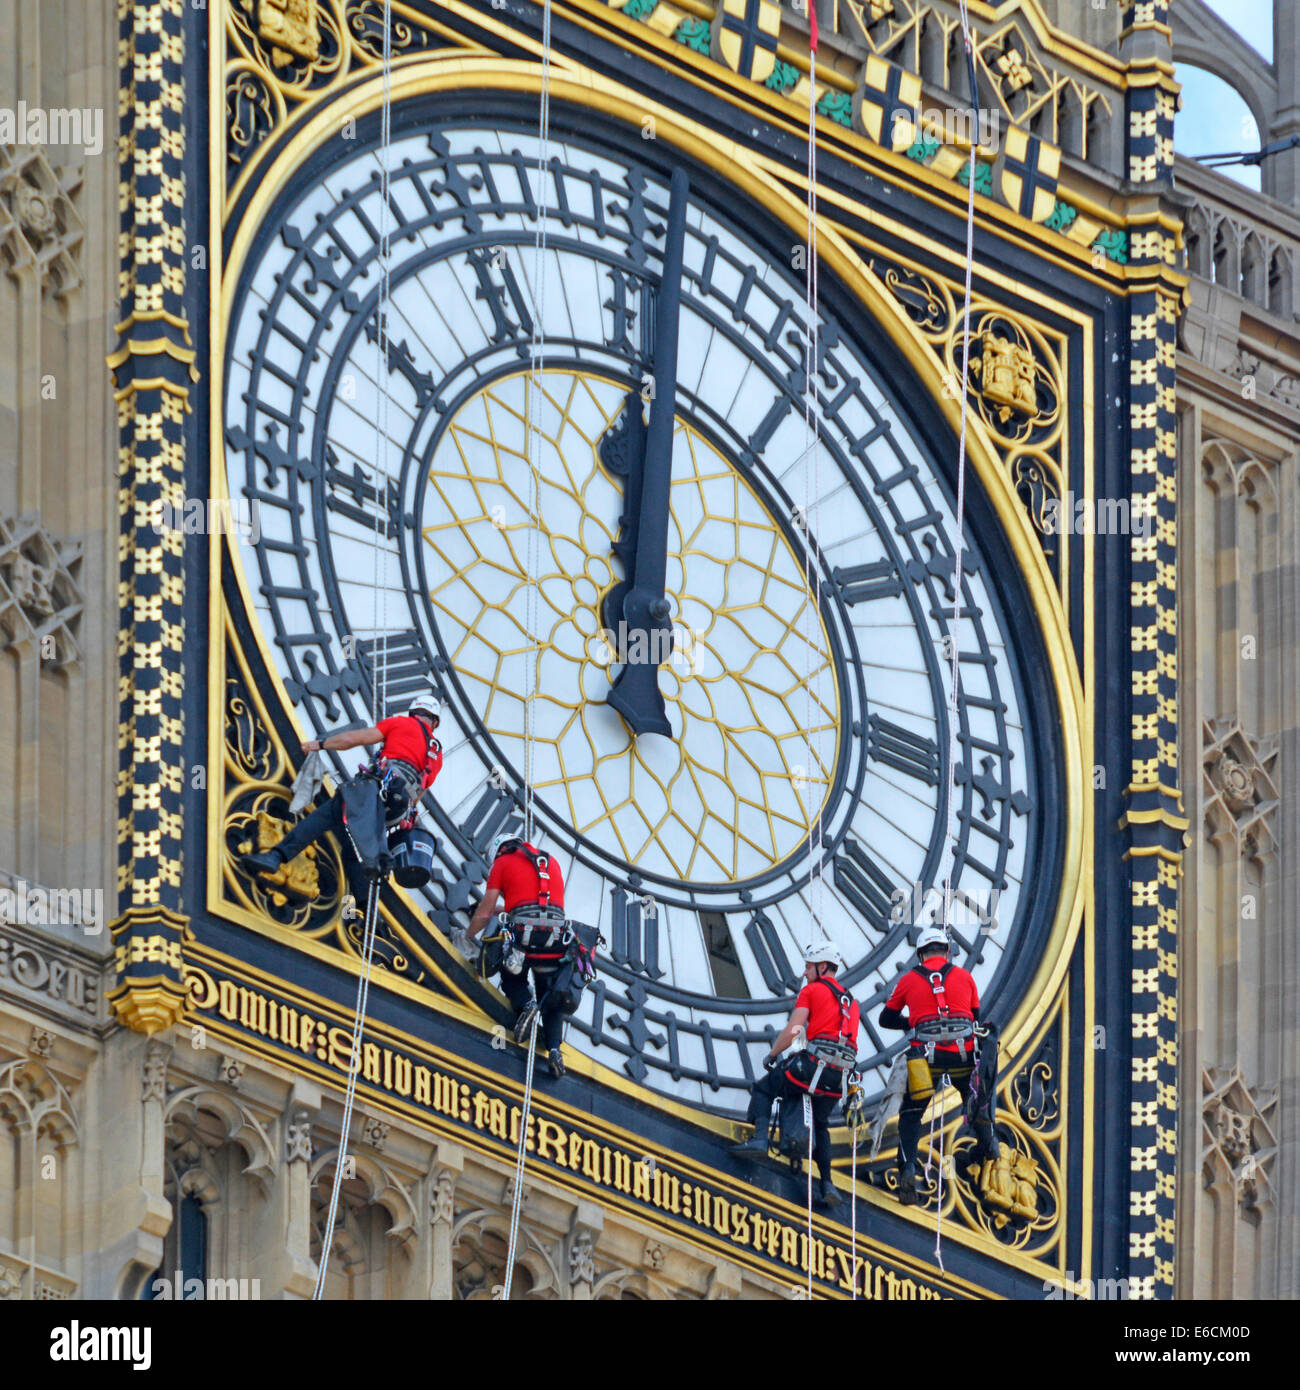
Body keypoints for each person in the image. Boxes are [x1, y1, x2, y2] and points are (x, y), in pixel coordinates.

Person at [243, 696, 443, 904]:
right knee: (352, 849)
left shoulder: (401, 723)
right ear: (434, 722)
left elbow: (353, 739)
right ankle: (365, 906)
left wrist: (319, 744)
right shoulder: (437, 754)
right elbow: (420, 792)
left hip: (371, 792)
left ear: (413, 712)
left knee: (324, 815)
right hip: (395, 808)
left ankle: (276, 856)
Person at [732, 942, 861, 1211]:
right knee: (821, 1123)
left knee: (765, 1088)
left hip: (811, 1067)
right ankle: (826, 1184)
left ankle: (760, 1140)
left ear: (822, 967)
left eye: (808, 966)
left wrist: (772, 1055)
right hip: (838, 1078)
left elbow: (794, 1030)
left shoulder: (812, 991)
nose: (804, 972)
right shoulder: (852, 1002)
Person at [878, 925, 998, 1205]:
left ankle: (907, 1169)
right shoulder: (965, 977)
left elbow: (886, 1019)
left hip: (926, 1060)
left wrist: (913, 1022)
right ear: (946, 951)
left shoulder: (908, 980)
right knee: (975, 1097)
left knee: (911, 1113)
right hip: (963, 1056)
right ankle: (987, 1139)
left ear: (921, 955)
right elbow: (975, 1018)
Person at [460, 833, 570, 1080]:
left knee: (513, 976)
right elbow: (533, 902)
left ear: (499, 851)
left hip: (523, 936)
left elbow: (486, 912)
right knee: (549, 991)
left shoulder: (502, 862)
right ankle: (554, 1049)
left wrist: (469, 933)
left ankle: (526, 1004)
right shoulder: (551, 862)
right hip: (555, 937)